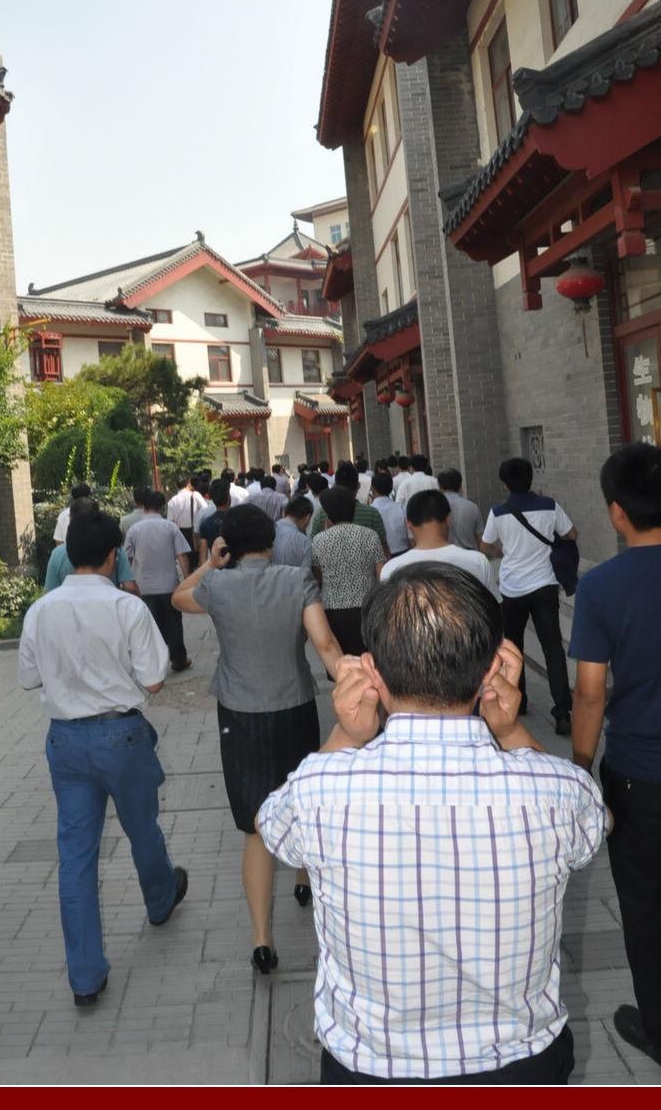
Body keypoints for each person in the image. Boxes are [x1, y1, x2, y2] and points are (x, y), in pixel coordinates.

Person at [257, 564, 607, 1086]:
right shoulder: (557, 792)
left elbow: (272, 827)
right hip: (520, 1068)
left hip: (370, 1071)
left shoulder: (319, 790)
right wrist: (510, 730)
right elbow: (595, 822)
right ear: (493, 668)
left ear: (372, 672)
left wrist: (346, 736)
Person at [18, 509, 187, 1007]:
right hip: (122, 736)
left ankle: (85, 978)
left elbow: (28, 678)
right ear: (114, 556)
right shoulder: (126, 607)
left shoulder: (41, 610)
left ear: (68, 554)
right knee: (142, 829)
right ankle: (160, 899)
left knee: (75, 857)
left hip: (65, 742)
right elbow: (154, 681)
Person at [171, 504, 342, 973]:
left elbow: (178, 597)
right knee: (300, 800)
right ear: (271, 540)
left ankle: (262, 940)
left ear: (230, 543)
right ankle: (303, 879)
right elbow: (325, 644)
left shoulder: (217, 585)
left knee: (256, 824)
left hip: (239, 713)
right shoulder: (297, 580)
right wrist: (350, 684)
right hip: (294, 705)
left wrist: (211, 562)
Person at [569, 443, 661, 1066]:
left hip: (638, 776)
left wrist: (579, 768)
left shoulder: (601, 587)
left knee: (646, 904)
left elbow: (590, 693)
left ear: (617, 513)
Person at [481, 457, 577, 733]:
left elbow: (485, 546)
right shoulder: (549, 505)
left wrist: (505, 551)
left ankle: (519, 700)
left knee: (513, 648)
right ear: (530, 478)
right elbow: (572, 533)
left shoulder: (498, 512)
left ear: (504, 484)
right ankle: (562, 713)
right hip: (545, 586)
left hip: (512, 589)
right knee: (553, 648)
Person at [311, 485, 384, 657]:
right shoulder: (370, 536)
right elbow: (381, 574)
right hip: (367, 607)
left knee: (341, 662)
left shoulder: (319, 540)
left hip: (333, 610)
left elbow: (318, 576)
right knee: (369, 660)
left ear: (328, 514)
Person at [125, 491, 193, 673]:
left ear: (144, 506)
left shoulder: (134, 530)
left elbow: (127, 558)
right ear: (162, 507)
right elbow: (182, 556)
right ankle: (179, 659)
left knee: (152, 627)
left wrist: (128, 583)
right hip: (169, 584)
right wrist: (188, 581)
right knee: (174, 623)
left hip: (145, 586)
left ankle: (156, 664)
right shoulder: (170, 527)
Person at [381, 490, 494, 592]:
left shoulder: (390, 569)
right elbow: (493, 605)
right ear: (448, 519)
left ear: (409, 524)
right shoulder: (478, 562)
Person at [45, 497, 138, 593]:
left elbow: (49, 592)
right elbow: (130, 587)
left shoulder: (57, 554)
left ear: (71, 519)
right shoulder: (114, 549)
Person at [309, 461, 387, 553]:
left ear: (335, 486)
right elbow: (383, 549)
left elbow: (312, 548)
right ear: (358, 486)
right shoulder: (372, 514)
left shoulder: (322, 514)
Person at [437, 468, 485, 550]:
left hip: (443, 555)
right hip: (469, 554)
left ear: (440, 487)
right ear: (460, 486)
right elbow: (480, 538)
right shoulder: (472, 507)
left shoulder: (433, 507)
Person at [166, 476, 206, 572]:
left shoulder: (172, 501)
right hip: (195, 532)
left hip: (180, 533)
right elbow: (205, 509)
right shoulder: (195, 495)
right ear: (188, 484)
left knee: (186, 562)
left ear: (177, 486)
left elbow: (170, 522)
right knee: (198, 562)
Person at [369, 471, 410, 557]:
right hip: (403, 554)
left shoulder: (369, 510)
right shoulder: (402, 508)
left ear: (372, 489)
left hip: (380, 557)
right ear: (391, 489)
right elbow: (411, 536)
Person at [272, 496, 313, 568]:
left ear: (284, 512)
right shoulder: (305, 542)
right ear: (308, 517)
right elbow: (305, 573)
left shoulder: (269, 530)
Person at [198, 479, 231, 565]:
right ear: (228, 498)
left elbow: (203, 557)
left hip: (216, 569)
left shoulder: (206, 523)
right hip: (238, 569)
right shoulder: (239, 519)